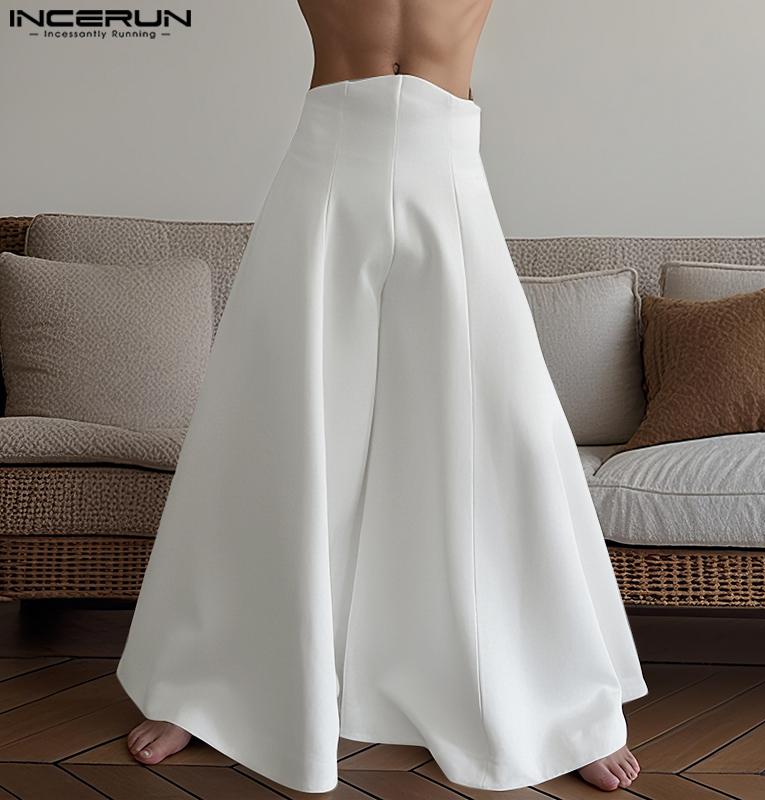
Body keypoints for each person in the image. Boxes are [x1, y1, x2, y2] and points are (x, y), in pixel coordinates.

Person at [116, 0, 648, 793]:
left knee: (508, 431)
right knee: (277, 418)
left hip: (449, 164)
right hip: (329, 160)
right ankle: (208, 685)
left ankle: (557, 706)